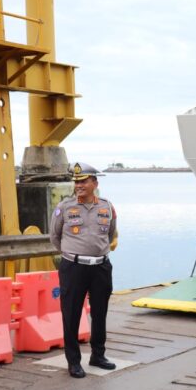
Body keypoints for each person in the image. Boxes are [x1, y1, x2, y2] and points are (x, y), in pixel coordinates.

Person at [50, 162, 118, 378]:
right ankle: (73, 361)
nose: (78, 185)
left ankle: (98, 355)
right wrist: (73, 255)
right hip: (73, 267)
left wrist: (95, 253)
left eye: (83, 181)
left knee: (100, 313)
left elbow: (111, 234)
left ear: (94, 183)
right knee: (71, 314)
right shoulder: (65, 207)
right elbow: (55, 236)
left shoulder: (106, 207)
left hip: (100, 267)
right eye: (76, 182)